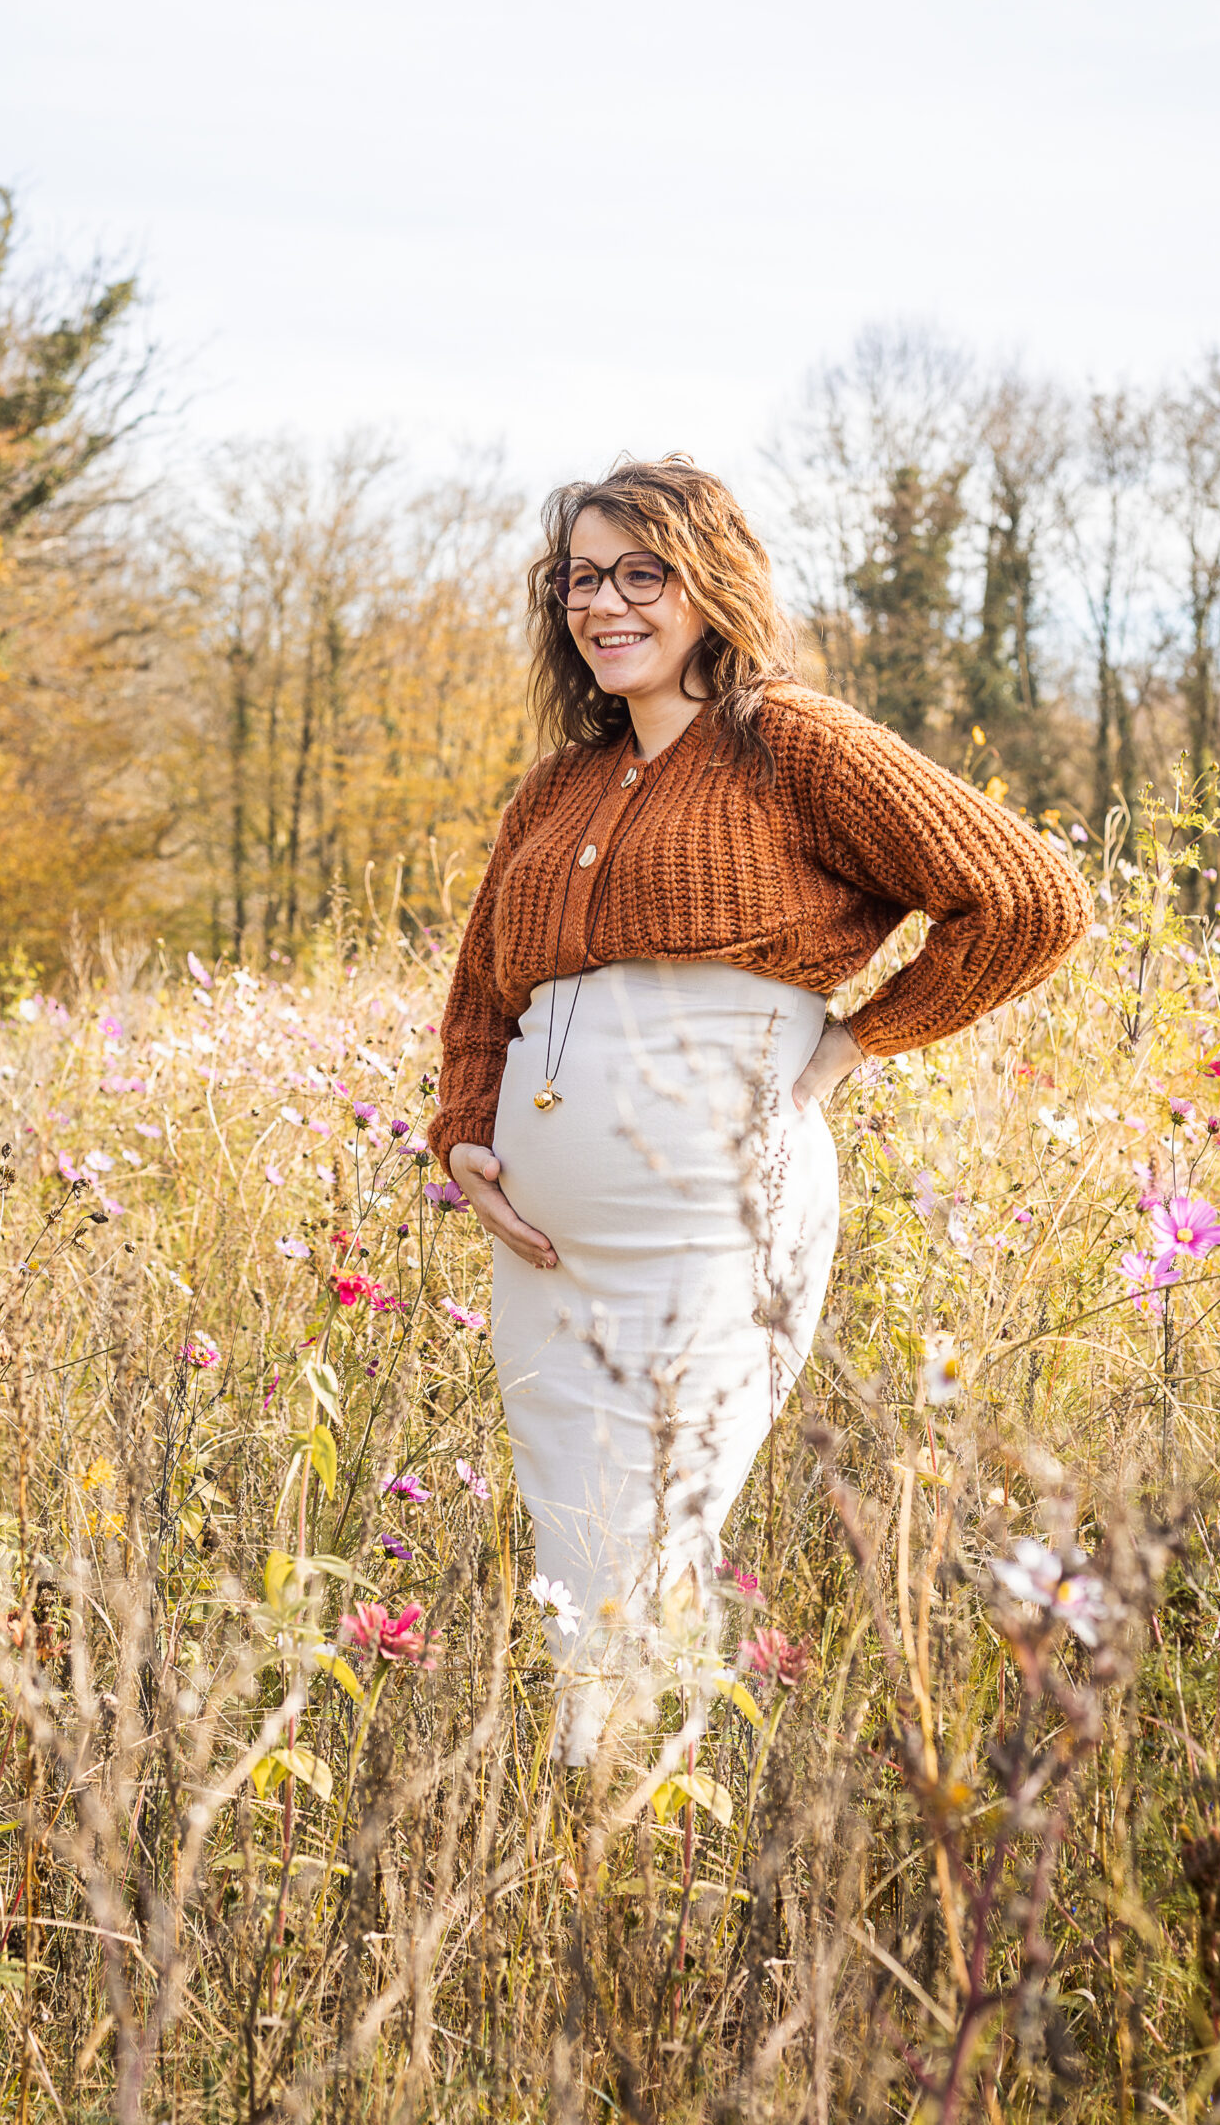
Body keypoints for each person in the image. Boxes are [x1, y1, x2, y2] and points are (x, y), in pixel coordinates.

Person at [428, 455, 1089, 1761]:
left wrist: (857, 1043)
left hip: (712, 1203)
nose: (604, 604)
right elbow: (477, 992)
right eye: (581, 579)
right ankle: (597, 1818)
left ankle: (646, 1823)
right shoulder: (557, 787)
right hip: (546, 1247)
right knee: (577, 1529)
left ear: (708, 584)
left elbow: (1030, 898)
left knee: (659, 1521)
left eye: (640, 573)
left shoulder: (792, 740)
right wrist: (465, 1135)